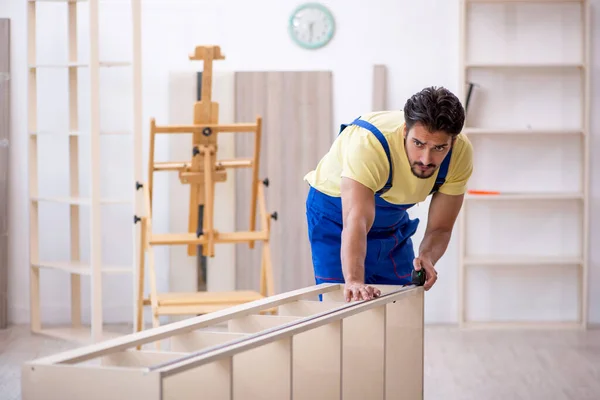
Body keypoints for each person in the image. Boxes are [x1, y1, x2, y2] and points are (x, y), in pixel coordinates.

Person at [303, 86, 473, 302]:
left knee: (400, 303)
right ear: (404, 131)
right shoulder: (370, 143)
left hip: (391, 219)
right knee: (342, 306)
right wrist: (354, 280)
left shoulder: (460, 155)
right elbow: (356, 220)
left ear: (453, 142)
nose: (425, 159)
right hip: (336, 216)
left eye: (439, 148)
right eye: (418, 144)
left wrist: (428, 257)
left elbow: (441, 227)